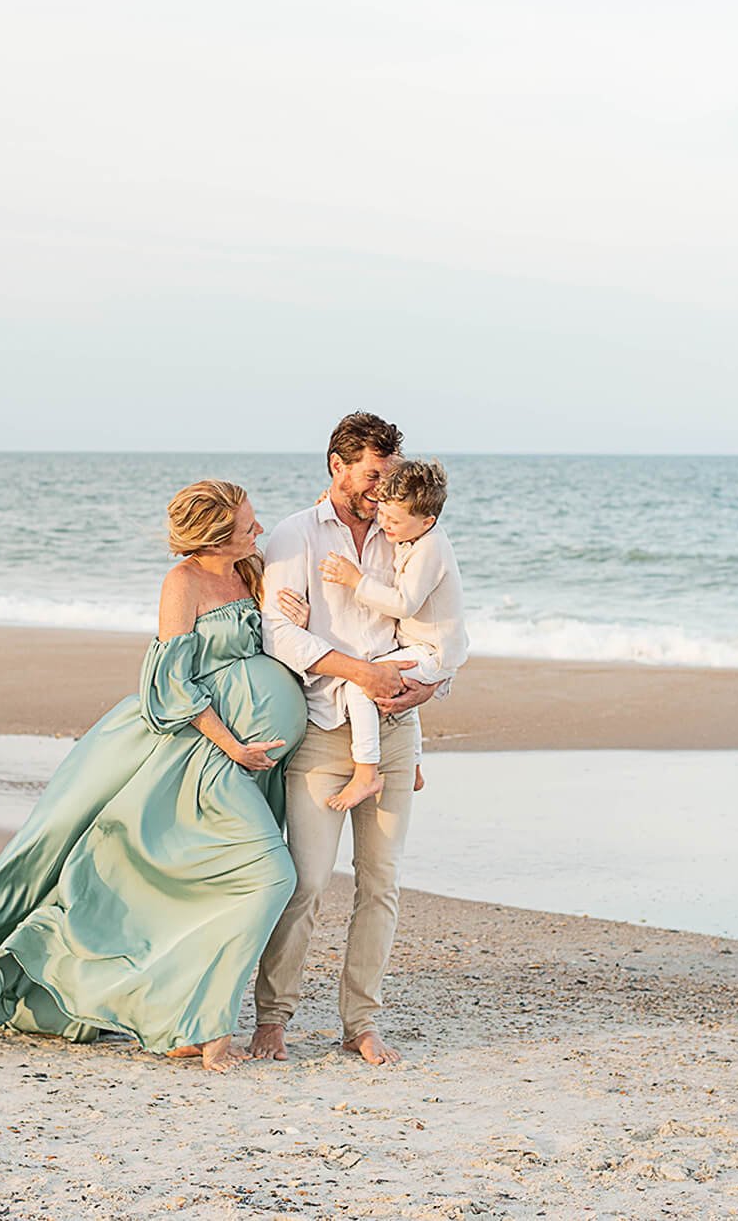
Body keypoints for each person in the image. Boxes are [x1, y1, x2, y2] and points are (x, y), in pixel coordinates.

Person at [0, 481, 305, 1071]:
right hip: (203, 754)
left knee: (211, 886)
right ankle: (207, 1030)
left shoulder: (252, 572)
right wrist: (233, 743)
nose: (259, 531)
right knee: (268, 876)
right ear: (213, 532)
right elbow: (170, 683)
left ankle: (186, 1021)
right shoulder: (182, 584)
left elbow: (275, 647)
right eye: (247, 524)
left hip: (245, 762)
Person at [251, 412, 440, 1067]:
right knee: (304, 884)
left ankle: (360, 1021)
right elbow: (278, 632)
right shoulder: (292, 536)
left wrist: (428, 688)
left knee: (380, 883)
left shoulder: (405, 536)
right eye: (371, 476)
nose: (381, 491)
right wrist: (356, 667)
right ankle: (271, 1020)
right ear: (336, 464)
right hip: (323, 734)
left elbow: (434, 624)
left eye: (388, 478)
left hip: (394, 729)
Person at [313, 458, 467, 810]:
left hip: (433, 652)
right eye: (381, 513)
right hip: (419, 645)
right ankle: (413, 766)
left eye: (393, 521)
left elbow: (404, 604)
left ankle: (367, 771)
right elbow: (381, 516)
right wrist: (325, 506)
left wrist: (356, 580)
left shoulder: (431, 548)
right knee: (398, 692)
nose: (383, 524)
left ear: (428, 521)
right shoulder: (412, 529)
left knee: (363, 682)